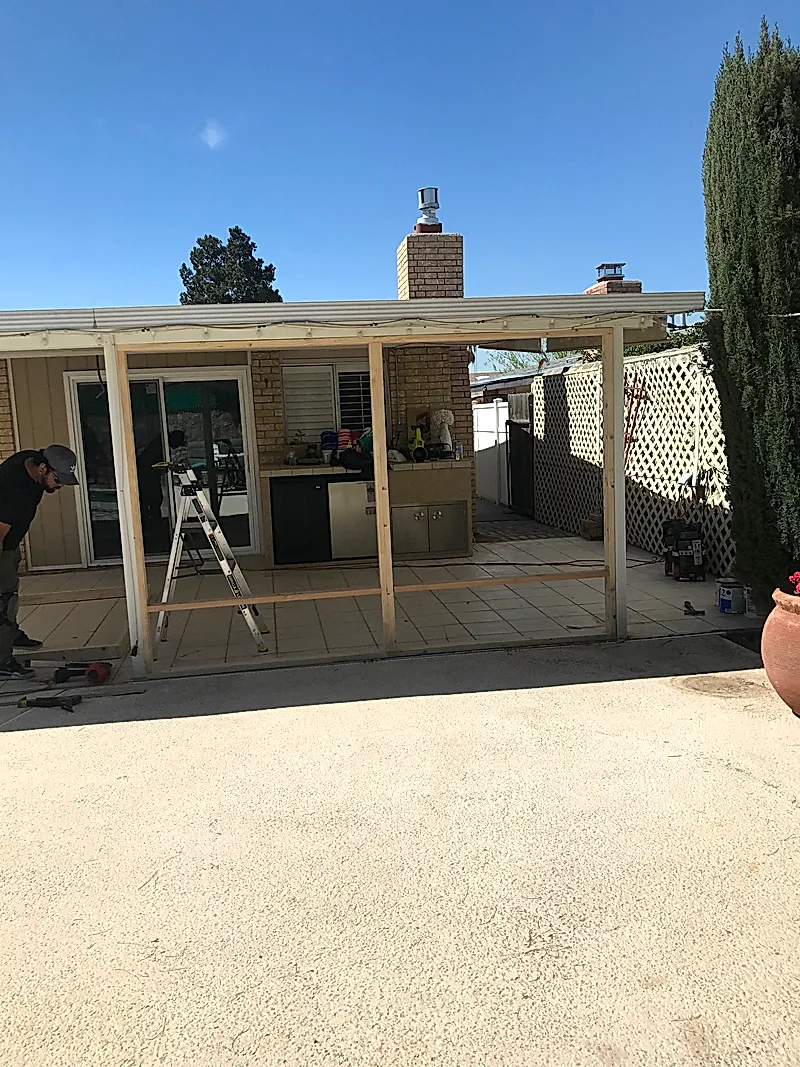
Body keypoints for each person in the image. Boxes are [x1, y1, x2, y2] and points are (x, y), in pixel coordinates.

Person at [0, 445, 79, 678]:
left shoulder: (32, 460)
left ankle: (12, 634)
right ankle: (3, 662)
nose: (60, 485)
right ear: (43, 468)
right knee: (4, 601)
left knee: (9, 592)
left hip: (10, 543)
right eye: (58, 479)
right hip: (2, 542)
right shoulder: (13, 489)